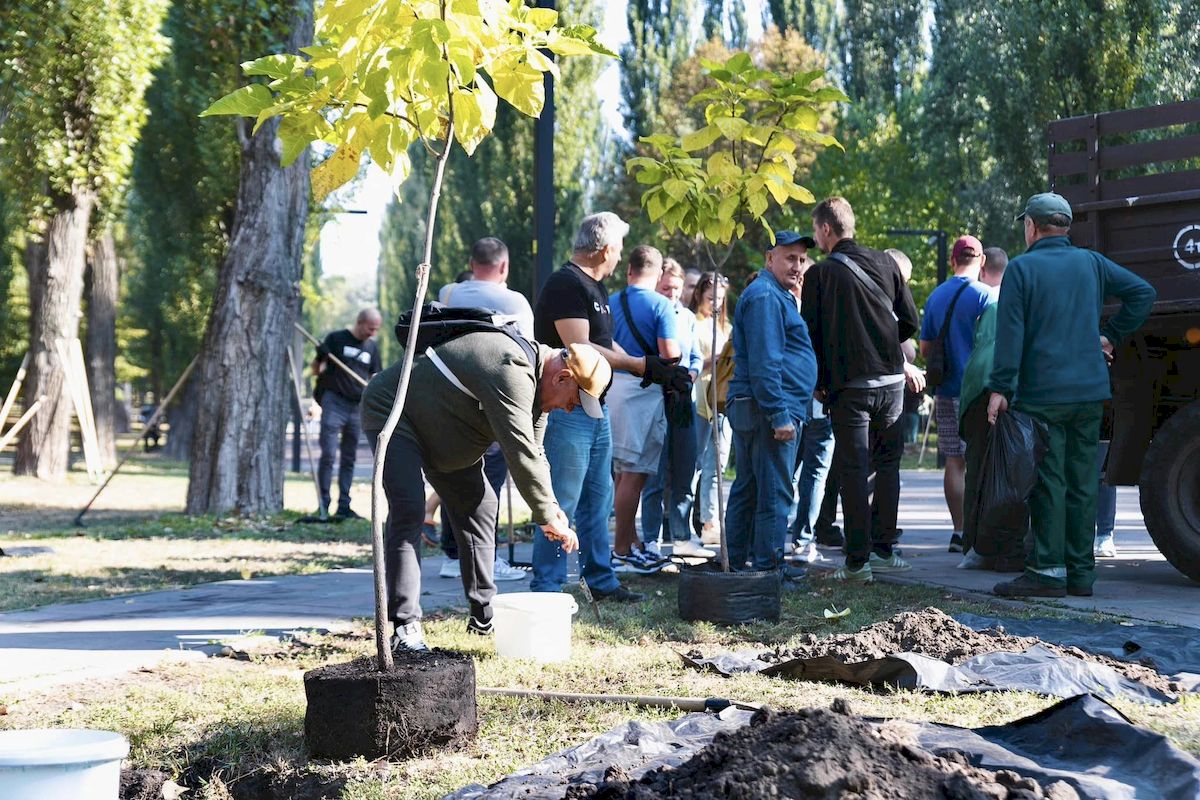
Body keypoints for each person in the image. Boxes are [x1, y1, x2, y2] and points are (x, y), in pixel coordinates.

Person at [360, 329, 600, 652]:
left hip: (445, 432)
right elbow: (520, 451)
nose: (570, 409)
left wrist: (553, 508)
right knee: (409, 509)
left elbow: (536, 451)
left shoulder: (538, 388)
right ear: (562, 377)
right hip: (396, 413)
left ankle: (483, 616)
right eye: (574, 400)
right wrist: (545, 517)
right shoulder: (512, 369)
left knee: (481, 504)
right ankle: (405, 627)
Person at [987, 192, 1155, 598]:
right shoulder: (1091, 263)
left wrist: (1000, 388)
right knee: (1083, 483)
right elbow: (1142, 293)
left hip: (1042, 395)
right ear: (1064, 226)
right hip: (1089, 394)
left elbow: (1010, 336)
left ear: (1032, 226)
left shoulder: (1022, 270)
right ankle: (1081, 575)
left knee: (1049, 482)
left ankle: (1047, 571)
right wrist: (1110, 336)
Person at [529, 212, 691, 602]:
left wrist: (651, 367)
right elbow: (581, 349)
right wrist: (640, 364)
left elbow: (605, 343)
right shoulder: (567, 284)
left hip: (594, 406)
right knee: (561, 499)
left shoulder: (595, 288)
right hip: (567, 409)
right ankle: (547, 588)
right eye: (617, 250)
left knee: (597, 499)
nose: (620, 258)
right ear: (603, 249)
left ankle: (600, 580)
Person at [802, 197, 921, 583]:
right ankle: (884, 549)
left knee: (853, 469)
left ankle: (857, 563)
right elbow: (910, 320)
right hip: (891, 384)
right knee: (888, 466)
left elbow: (812, 335)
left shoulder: (819, 275)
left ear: (825, 230)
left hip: (850, 387)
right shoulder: (887, 263)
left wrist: (822, 381)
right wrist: (884, 345)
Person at [435, 237, 535, 582]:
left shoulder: (449, 293)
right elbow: (527, 356)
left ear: (471, 261)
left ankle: (452, 554)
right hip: (489, 404)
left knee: (454, 478)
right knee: (487, 484)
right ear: (504, 266)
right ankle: (485, 559)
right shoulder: (515, 301)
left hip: (448, 402)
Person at [724, 231, 818, 576]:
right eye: (790, 258)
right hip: (768, 409)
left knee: (750, 487)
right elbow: (766, 363)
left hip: (761, 405)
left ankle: (736, 564)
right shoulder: (766, 296)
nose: (797, 266)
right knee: (774, 491)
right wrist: (779, 414)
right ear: (769, 259)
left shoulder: (774, 294)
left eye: (801, 259)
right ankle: (768, 569)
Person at [607, 245, 681, 573]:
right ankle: (621, 550)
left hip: (612, 388)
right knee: (634, 475)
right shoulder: (661, 305)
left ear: (629, 270)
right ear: (659, 272)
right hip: (642, 390)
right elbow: (670, 354)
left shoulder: (611, 301)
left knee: (621, 472)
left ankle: (631, 541)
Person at [919, 236, 993, 553]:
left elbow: (924, 349)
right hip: (980, 390)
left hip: (948, 390)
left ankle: (959, 531)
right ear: (982, 261)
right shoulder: (986, 296)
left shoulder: (936, 296)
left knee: (954, 459)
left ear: (952, 261)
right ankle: (983, 532)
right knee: (984, 460)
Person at [640, 259, 713, 560]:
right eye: (666, 287)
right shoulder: (650, 313)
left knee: (686, 469)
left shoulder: (686, 317)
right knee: (655, 475)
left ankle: (682, 535)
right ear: (657, 284)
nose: (671, 293)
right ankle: (651, 538)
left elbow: (695, 356)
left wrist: (692, 375)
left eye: (676, 288)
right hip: (656, 398)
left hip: (684, 399)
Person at [956, 247, 1023, 571]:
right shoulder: (1017, 306)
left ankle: (973, 545)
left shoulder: (992, 306)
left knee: (977, 471)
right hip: (998, 390)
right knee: (1007, 473)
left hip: (972, 394)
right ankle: (999, 548)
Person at [312, 308, 383, 519]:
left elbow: (375, 376)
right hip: (333, 403)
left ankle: (344, 505)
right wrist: (321, 357)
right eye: (370, 328)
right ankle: (323, 504)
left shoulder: (372, 347)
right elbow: (316, 370)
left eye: (376, 330)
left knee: (349, 457)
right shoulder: (336, 339)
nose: (373, 333)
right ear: (360, 323)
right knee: (328, 454)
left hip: (356, 407)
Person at [691, 271, 731, 546]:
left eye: (719, 299)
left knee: (717, 463)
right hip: (699, 397)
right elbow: (689, 360)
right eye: (710, 297)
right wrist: (715, 358)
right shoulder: (692, 322)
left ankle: (711, 521)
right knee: (694, 465)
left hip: (724, 399)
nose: (714, 303)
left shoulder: (725, 326)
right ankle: (687, 524)